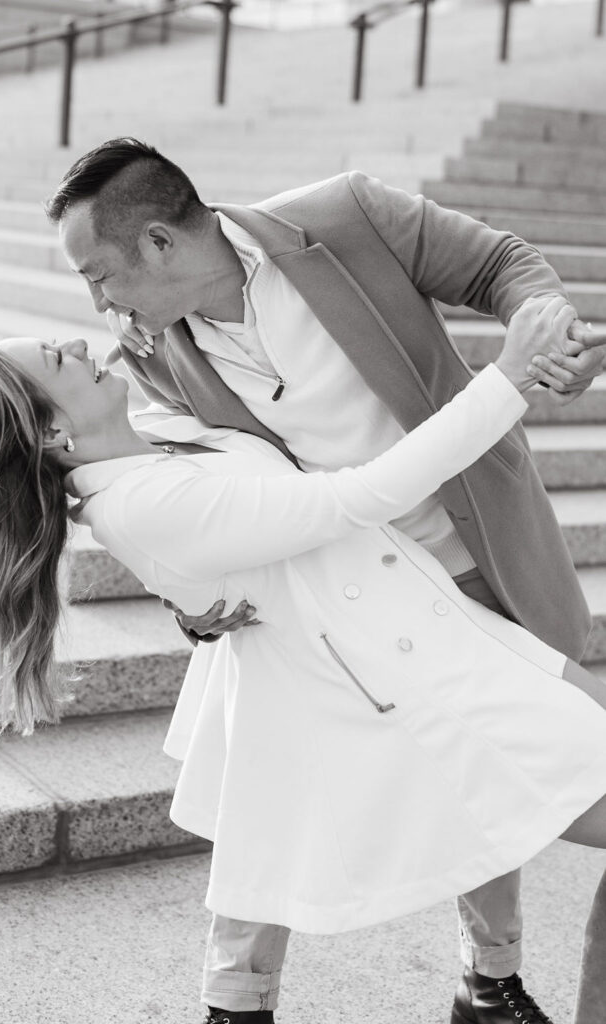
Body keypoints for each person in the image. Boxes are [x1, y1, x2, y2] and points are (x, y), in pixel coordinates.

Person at [40, 138, 606, 1024]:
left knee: (509, 765)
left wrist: (554, 332)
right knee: (276, 788)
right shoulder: (149, 348)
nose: (98, 301)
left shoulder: (345, 217)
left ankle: (488, 983)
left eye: (99, 273)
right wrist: (188, 596)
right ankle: (238, 1002)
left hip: (481, 552)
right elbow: (188, 488)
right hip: (335, 602)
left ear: (159, 242)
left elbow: (502, 264)